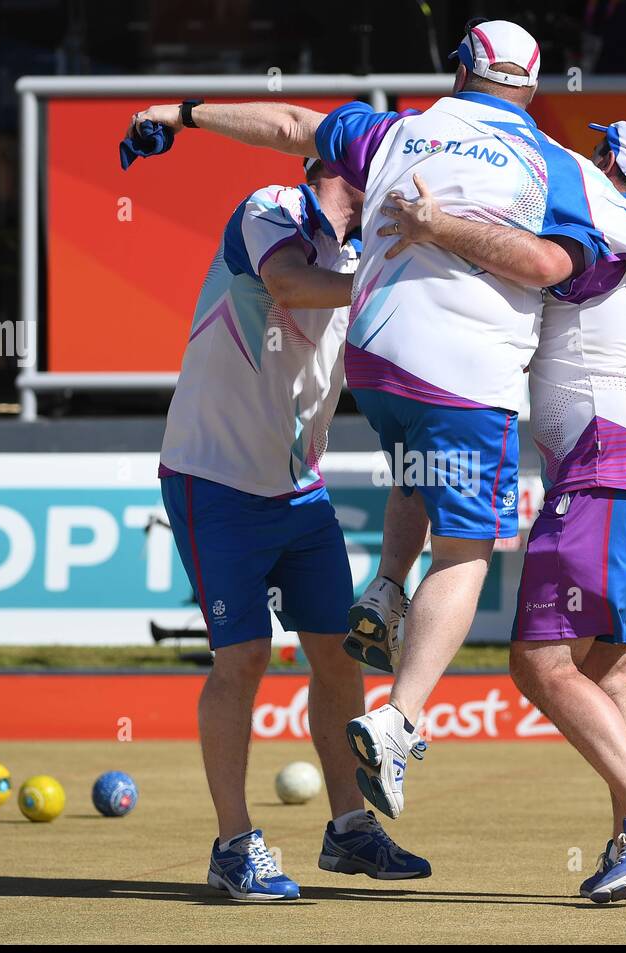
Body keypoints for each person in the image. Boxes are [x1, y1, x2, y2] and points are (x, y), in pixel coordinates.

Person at [135, 18, 626, 825]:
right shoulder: (555, 164)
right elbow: (567, 261)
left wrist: (186, 111)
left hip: (379, 369)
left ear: (459, 70)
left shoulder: (398, 133)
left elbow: (289, 124)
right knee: (467, 550)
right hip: (459, 377)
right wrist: (444, 234)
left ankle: (385, 592)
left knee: (420, 469)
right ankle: (400, 719)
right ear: (530, 88)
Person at [379, 117, 626, 903]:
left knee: (538, 662)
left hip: (610, 465)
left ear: (609, 165)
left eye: (597, 152)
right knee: (613, 669)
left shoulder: (595, 217)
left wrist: (435, 224)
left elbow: (525, 249)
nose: (582, 159)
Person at [151, 153, 429, 902]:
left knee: (339, 657)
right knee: (242, 661)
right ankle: (235, 845)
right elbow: (287, 284)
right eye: (393, 163)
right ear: (350, 167)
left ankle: (348, 831)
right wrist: (388, 278)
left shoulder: (364, 251)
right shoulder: (275, 205)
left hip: (300, 493)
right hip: (212, 480)